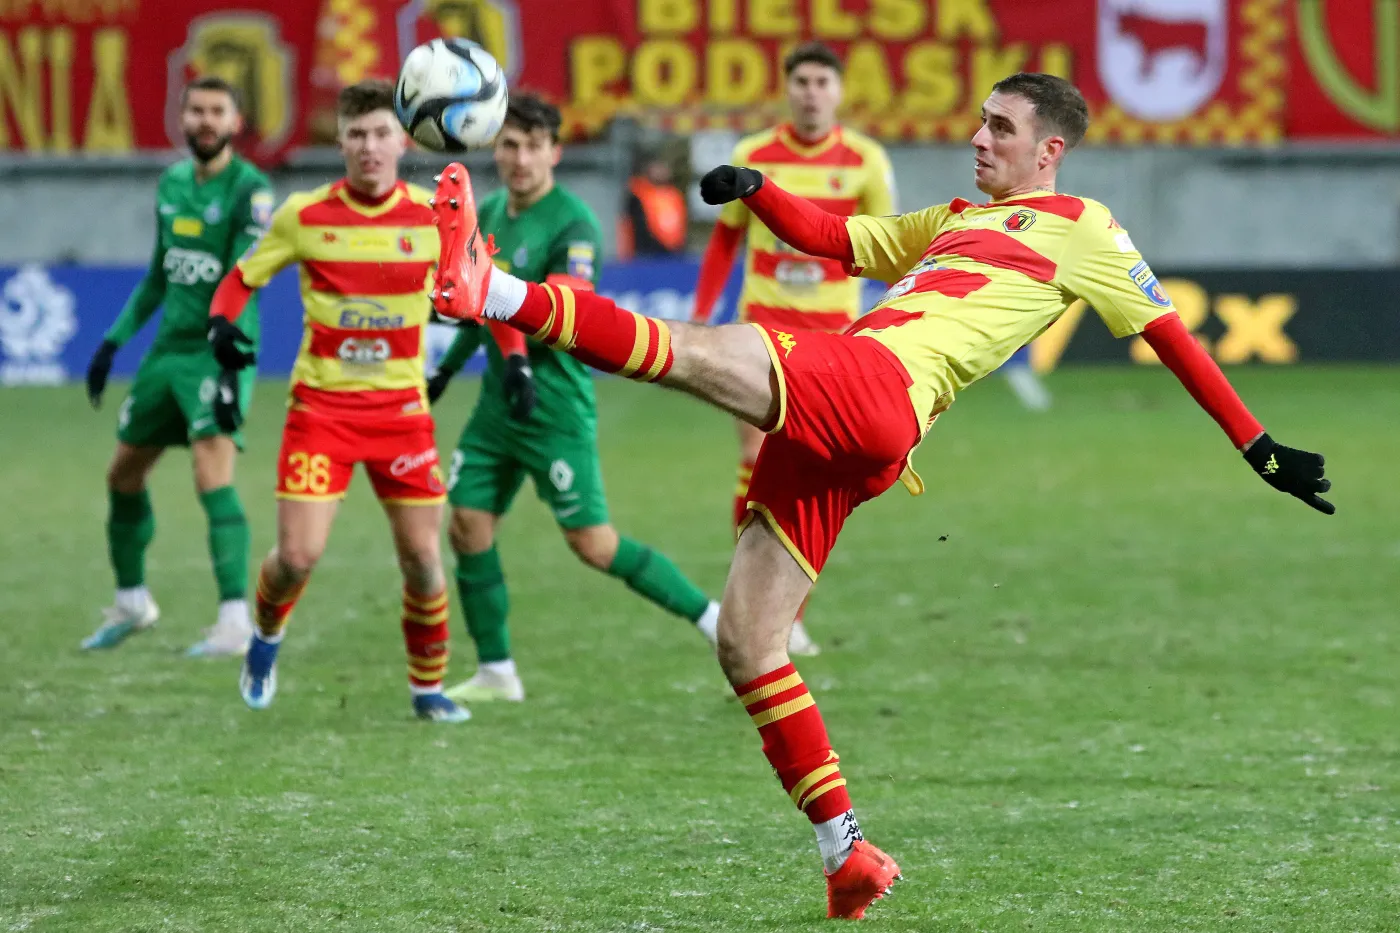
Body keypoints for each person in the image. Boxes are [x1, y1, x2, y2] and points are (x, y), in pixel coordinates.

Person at [431, 72, 1335, 917]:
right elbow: (840, 240)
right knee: (750, 641)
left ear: (1050, 150)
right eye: (981, 120)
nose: (979, 138)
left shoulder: (1085, 228)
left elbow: (1171, 336)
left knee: (703, 348)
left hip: (877, 384)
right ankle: (845, 852)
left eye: (1002, 128)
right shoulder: (952, 218)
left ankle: (493, 286)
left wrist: (1257, 448)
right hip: (862, 435)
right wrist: (759, 191)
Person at [428, 95, 719, 704]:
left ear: (554, 152)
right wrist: (445, 372)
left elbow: (560, 307)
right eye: (508, 145)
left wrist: (515, 357)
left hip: (554, 402)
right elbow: (479, 310)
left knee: (593, 544)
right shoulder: (492, 217)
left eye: (533, 146)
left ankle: (712, 618)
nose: (520, 158)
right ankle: (496, 671)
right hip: (498, 404)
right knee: (466, 525)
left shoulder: (574, 222)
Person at [207, 80, 469, 723]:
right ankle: (265, 638)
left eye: (381, 133)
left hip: (402, 418)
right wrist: (221, 326)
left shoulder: (434, 217)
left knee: (424, 562)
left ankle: (428, 688)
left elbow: (490, 290)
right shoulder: (304, 215)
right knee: (296, 557)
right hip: (321, 412)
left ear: (403, 140)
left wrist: (514, 363)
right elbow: (240, 280)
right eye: (357, 135)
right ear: (342, 143)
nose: (370, 147)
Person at [690, 41, 896, 656]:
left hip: (833, 339)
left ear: (838, 91)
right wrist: (703, 311)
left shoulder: (865, 160)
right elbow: (726, 240)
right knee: (755, 463)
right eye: (801, 80)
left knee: (812, 475)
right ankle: (750, 606)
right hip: (762, 332)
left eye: (822, 82)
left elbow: (887, 245)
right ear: (788, 88)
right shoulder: (753, 155)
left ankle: (788, 611)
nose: (811, 91)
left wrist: (893, 318)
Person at [81, 76, 274, 658]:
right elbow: (159, 275)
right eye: (196, 110)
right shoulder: (170, 182)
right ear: (182, 117)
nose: (205, 120)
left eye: (217, 110)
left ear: (236, 122)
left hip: (221, 351)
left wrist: (226, 355)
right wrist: (112, 343)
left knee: (211, 477)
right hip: (167, 352)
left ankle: (237, 621)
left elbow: (246, 276)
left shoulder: (251, 191)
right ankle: (133, 602)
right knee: (123, 475)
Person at [616, 152, 688, 259]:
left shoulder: (674, 195)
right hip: (646, 254)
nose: (662, 171)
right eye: (658, 167)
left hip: (673, 252)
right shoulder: (638, 194)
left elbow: (680, 224)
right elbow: (635, 228)